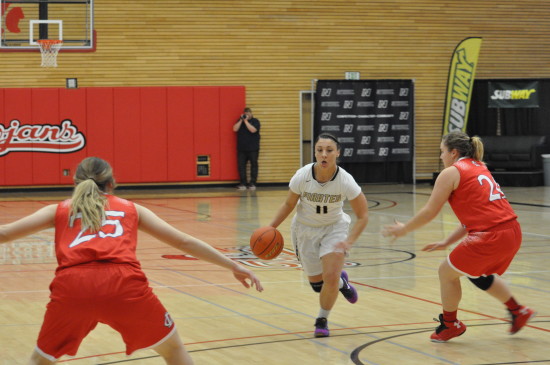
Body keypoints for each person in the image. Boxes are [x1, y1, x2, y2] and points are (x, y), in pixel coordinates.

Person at [0, 157, 263, 365]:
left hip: (72, 286)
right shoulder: (130, 208)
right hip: (123, 285)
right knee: (172, 351)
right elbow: (184, 242)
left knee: (40, 359)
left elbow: (3, 233)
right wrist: (234, 265)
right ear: (112, 184)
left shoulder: (58, 210)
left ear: (76, 183)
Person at [382, 131, 536, 342]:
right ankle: (518, 311)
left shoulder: (452, 172)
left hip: (491, 235)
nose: (440, 156)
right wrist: (446, 241)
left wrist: (405, 229)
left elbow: (430, 211)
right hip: (512, 231)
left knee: (446, 272)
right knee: (476, 273)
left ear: (453, 153)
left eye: (442, 152)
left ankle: (450, 324)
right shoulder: (479, 166)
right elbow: (471, 220)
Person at [268, 133, 368, 337]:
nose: (324, 155)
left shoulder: (346, 180)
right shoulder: (302, 176)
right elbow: (288, 204)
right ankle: (343, 283)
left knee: (329, 278)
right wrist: (271, 228)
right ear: (314, 152)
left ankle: (322, 320)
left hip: (334, 228)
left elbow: (363, 215)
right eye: (319, 150)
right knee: (317, 285)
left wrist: (349, 241)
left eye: (329, 151)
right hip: (305, 229)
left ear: (338, 153)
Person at [233, 107, 260, 190]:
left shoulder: (255, 121)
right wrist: (241, 120)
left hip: (253, 148)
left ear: (251, 114)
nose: (247, 115)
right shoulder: (240, 121)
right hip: (242, 148)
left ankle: (252, 183)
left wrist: (246, 121)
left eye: (248, 113)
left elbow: (253, 130)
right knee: (241, 166)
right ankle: (243, 183)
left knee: (254, 165)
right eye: (245, 114)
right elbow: (234, 129)